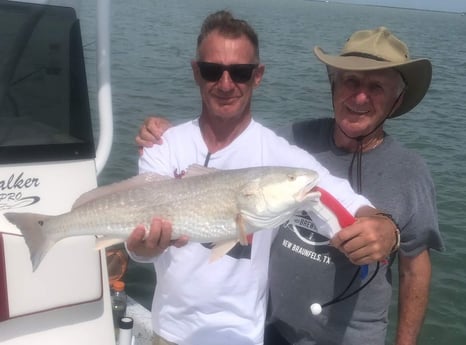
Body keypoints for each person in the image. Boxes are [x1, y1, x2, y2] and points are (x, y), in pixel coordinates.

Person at [136, 26, 445, 345]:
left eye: (377, 86)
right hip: (273, 329)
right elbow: (235, 148)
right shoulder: (292, 140)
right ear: (333, 84)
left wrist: (389, 231)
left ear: (397, 100)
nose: (360, 96)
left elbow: (415, 271)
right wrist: (165, 134)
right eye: (350, 81)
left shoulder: (411, 172)